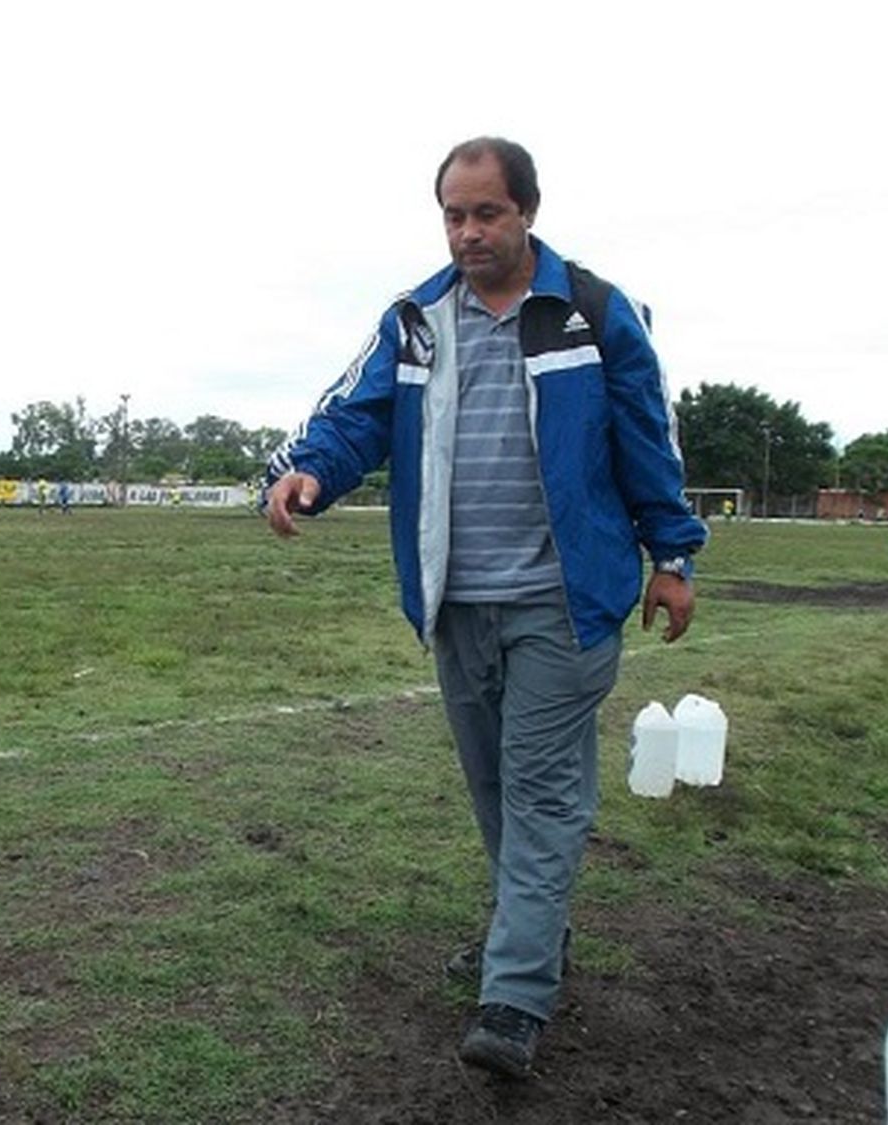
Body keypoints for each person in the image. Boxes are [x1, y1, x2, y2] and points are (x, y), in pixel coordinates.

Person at [264, 137, 707, 1080]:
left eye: (486, 213)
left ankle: (514, 995)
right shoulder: (417, 319)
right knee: (496, 789)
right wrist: (307, 471)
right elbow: (356, 415)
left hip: (564, 598)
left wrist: (671, 553)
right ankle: (531, 933)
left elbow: (647, 435)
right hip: (457, 599)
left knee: (544, 789)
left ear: (528, 211)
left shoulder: (591, 312)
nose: (468, 232)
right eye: (454, 215)